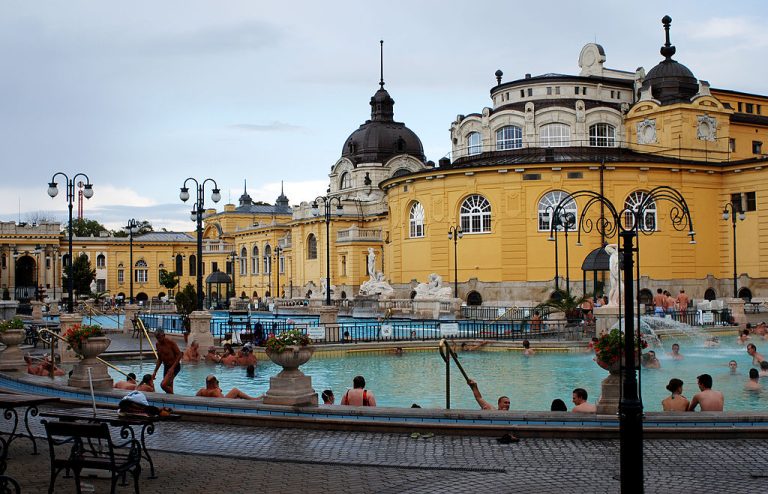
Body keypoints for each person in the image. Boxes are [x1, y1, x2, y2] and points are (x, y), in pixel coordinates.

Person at [151, 329, 182, 394]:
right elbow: (160, 359)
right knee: (168, 386)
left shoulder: (171, 343)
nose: (159, 340)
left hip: (174, 366)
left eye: (160, 338)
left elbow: (180, 354)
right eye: (157, 338)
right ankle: (172, 401)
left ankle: (174, 397)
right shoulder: (157, 344)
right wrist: (155, 371)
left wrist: (172, 368)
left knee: (163, 385)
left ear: (164, 335)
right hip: (166, 367)